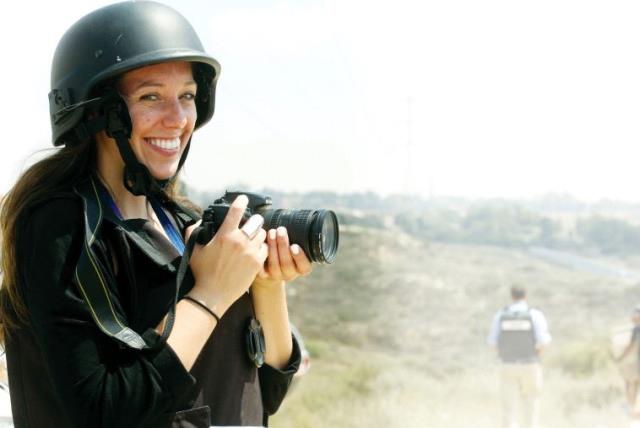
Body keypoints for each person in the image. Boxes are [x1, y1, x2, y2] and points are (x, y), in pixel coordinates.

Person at [0, 2, 313, 427]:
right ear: (98, 112)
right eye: (151, 96)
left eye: (186, 95)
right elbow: (102, 409)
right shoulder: (61, 225)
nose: (178, 118)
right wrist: (212, 295)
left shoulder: (185, 222)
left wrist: (266, 285)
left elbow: (262, 391)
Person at [487, 286, 551, 428]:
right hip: (530, 365)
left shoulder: (501, 315)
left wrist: (505, 353)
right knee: (531, 406)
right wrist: (535, 355)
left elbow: (492, 343)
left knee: (508, 409)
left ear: (512, 296)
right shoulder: (535, 315)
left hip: (507, 365)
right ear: (526, 296)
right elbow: (544, 342)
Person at [616, 305, 640, 415]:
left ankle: (631, 408)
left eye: (634, 314)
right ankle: (632, 408)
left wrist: (620, 357)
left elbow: (632, 346)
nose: (632, 317)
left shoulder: (637, 329)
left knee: (632, 383)